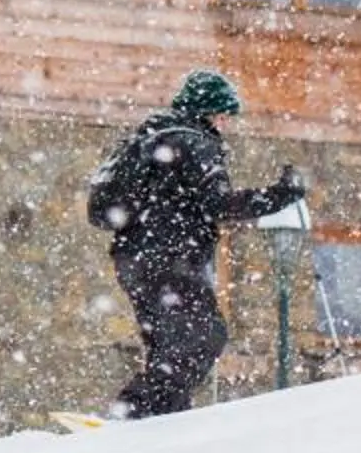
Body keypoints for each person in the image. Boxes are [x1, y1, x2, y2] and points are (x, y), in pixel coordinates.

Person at [90, 70, 306, 418]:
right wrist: (281, 195)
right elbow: (219, 204)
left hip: (134, 260)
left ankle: (164, 422)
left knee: (168, 347)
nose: (225, 124)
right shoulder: (195, 142)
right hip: (172, 258)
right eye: (222, 115)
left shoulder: (149, 138)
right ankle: (132, 410)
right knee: (205, 336)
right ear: (206, 111)